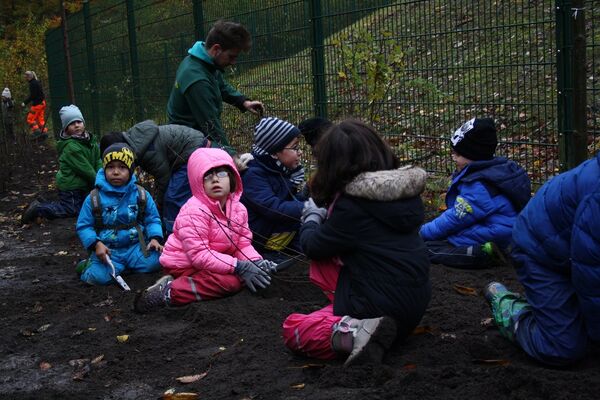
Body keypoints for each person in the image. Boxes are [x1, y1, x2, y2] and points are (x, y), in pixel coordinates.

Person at [282, 119, 431, 367]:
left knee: (295, 328)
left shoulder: (353, 206)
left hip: (382, 308)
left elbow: (312, 246)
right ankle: (363, 322)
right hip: (414, 304)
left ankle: (356, 332)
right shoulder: (403, 195)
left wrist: (311, 217)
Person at [484, 152, 600, 366]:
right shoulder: (596, 197)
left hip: (572, 253)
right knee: (563, 347)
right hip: (539, 253)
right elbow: (592, 275)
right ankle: (508, 307)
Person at [133, 148, 276, 313]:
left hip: (215, 259)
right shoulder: (194, 210)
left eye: (221, 174)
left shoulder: (239, 209)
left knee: (250, 275)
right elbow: (200, 255)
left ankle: (183, 283)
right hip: (185, 264)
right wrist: (240, 267)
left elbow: (242, 244)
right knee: (231, 283)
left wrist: (255, 262)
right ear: (198, 183)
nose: (215, 180)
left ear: (232, 177)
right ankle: (168, 292)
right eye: (208, 176)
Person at [419, 118, 531, 268]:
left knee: (427, 249)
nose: (453, 158)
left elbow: (456, 218)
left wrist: (422, 233)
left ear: (474, 155)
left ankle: (482, 254)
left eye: (458, 155)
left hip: (496, 236)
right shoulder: (494, 170)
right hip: (502, 231)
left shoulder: (479, 186)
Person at [166, 20, 264, 155]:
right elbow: (210, 125)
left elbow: (221, 85)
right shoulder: (197, 79)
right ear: (216, 49)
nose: (233, 62)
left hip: (198, 136)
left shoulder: (204, 62)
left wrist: (243, 101)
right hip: (185, 145)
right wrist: (231, 155)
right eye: (231, 56)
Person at [76, 143, 164, 285]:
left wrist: (154, 238)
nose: (116, 172)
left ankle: (124, 267)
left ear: (130, 170)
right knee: (96, 278)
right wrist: (95, 244)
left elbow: (152, 218)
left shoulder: (141, 194)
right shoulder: (94, 197)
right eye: (110, 167)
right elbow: (84, 225)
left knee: (157, 262)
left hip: (136, 247)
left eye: (122, 167)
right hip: (109, 251)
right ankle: (87, 265)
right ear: (104, 169)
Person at [100, 120, 208, 234]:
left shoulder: (147, 152)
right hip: (188, 148)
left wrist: (159, 202)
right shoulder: (136, 139)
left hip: (193, 150)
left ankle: (174, 234)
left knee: (172, 197)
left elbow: (163, 179)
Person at [21, 105, 102, 224]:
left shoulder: (91, 142)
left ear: (84, 123)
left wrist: (102, 176)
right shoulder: (71, 147)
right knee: (72, 210)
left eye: (79, 121)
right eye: (71, 123)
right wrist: (100, 182)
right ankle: (38, 209)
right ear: (66, 129)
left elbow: (97, 161)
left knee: (88, 207)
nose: (76, 125)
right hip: (71, 186)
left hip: (83, 183)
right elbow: (85, 169)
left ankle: (44, 202)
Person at [240, 117, 307, 261]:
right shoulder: (253, 175)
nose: (300, 152)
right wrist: (308, 207)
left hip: (277, 229)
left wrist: (310, 196)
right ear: (275, 152)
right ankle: (270, 253)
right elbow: (274, 208)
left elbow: (289, 199)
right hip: (260, 238)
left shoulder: (277, 168)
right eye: (295, 148)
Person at [22, 71, 48, 139]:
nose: (26, 79)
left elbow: (32, 96)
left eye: (26, 77)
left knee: (30, 119)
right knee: (40, 119)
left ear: (29, 77)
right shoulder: (37, 82)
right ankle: (44, 133)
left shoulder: (32, 84)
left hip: (37, 105)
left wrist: (24, 102)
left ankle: (36, 132)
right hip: (42, 103)